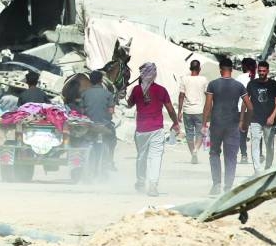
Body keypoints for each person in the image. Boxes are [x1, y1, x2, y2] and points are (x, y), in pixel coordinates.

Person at [127, 62, 180, 196]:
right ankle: (152, 186)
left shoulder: (136, 90)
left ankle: (140, 181)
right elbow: (170, 109)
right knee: (155, 158)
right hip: (156, 129)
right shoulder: (161, 90)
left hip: (141, 130)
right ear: (154, 75)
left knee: (141, 157)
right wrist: (175, 122)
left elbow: (129, 104)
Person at [204, 58, 252, 195]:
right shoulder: (239, 86)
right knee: (231, 156)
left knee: (214, 153)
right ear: (231, 69)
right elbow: (250, 106)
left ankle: (216, 184)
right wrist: (244, 122)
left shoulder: (213, 85)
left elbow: (208, 106)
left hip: (216, 124)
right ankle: (228, 187)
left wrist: (204, 123)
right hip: (233, 124)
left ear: (220, 69)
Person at [246, 60, 276, 174]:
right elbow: (246, 101)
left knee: (269, 145)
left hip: (269, 120)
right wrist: (245, 117)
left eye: (263, 71)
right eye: (259, 70)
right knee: (255, 143)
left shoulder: (273, 84)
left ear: (268, 71)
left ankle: (268, 167)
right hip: (255, 118)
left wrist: (272, 116)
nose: (261, 73)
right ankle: (257, 170)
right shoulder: (252, 84)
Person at [79, 70, 116, 171]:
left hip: (88, 127)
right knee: (112, 138)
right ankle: (110, 161)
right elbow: (111, 111)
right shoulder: (108, 94)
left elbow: (81, 112)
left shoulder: (84, 94)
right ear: (101, 80)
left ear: (90, 81)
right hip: (103, 126)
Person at [177, 58, 208, 165]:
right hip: (200, 110)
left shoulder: (184, 79)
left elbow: (181, 96)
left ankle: (193, 154)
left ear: (190, 68)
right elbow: (207, 95)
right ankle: (195, 150)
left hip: (187, 111)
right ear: (199, 69)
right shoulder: (204, 80)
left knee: (189, 134)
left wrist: (179, 112)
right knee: (200, 133)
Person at [235, 57, 257, 164]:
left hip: (241, 108)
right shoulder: (258, 77)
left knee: (242, 133)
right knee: (256, 134)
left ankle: (244, 155)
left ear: (244, 66)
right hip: (256, 110)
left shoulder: (239, 77)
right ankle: (259, 154)